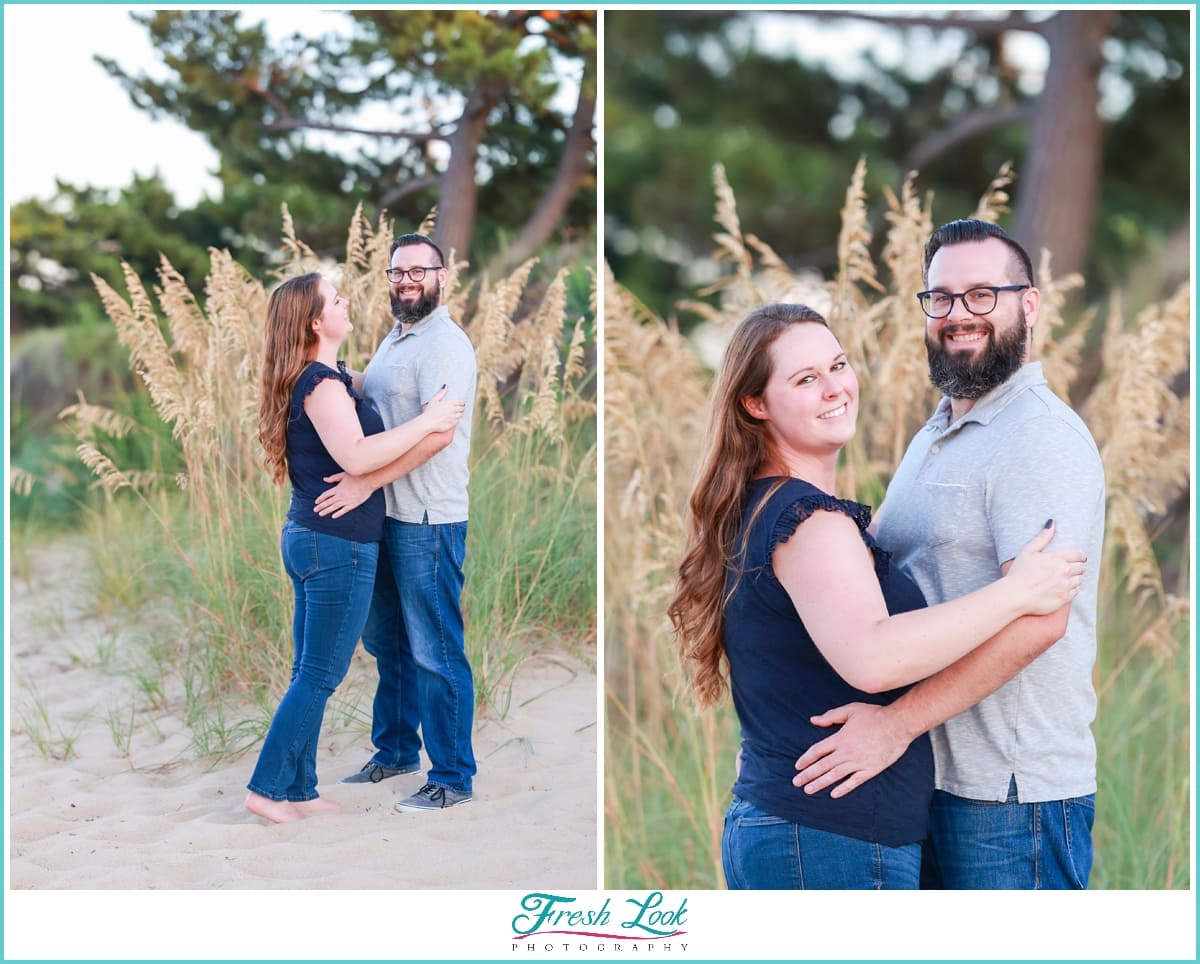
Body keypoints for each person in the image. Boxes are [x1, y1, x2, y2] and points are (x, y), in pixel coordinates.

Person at [668, 302, 1086, 889]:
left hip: (806, 833)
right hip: (826, 839)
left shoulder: (771, 507)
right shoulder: (807, 520)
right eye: (805, 379)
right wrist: (1016, 594)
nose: (834, 388)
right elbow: (873, 657)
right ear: (755, 404)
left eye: (837, 365)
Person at [792, 220, 1106, 889]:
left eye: (982, 295)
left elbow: (1041, 620)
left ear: (1028, 304)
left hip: (1008, 796)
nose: (958, 314)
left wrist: (896, 726)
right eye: (941, 298)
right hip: (926, 778)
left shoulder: (1038, 437)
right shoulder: (939, 431)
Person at [245, 272, 465, 824]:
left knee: (309, 669)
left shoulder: (332, 376)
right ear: (316, 322)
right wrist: (431, 420)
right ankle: (266, 789)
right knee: (319, 674)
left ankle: (298, 787)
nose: (347, 302)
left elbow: (377, 389)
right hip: (334, 547)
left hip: (317, 541)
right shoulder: (319, 383)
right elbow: (360, 457)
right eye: (336, 299)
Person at [314, 233, 479, 812]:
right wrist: (327, 375)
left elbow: (437, 435)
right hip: (386, 514)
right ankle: (395, 752)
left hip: (428, 518)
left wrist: (364, 480)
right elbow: (379, 392)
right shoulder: (398, 335)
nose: (406, 281)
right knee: (389, 643)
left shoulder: (445, 345)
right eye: (397, 272)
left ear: (441, 275)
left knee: (436, 649)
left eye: (418, 271)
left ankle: (453, 777)